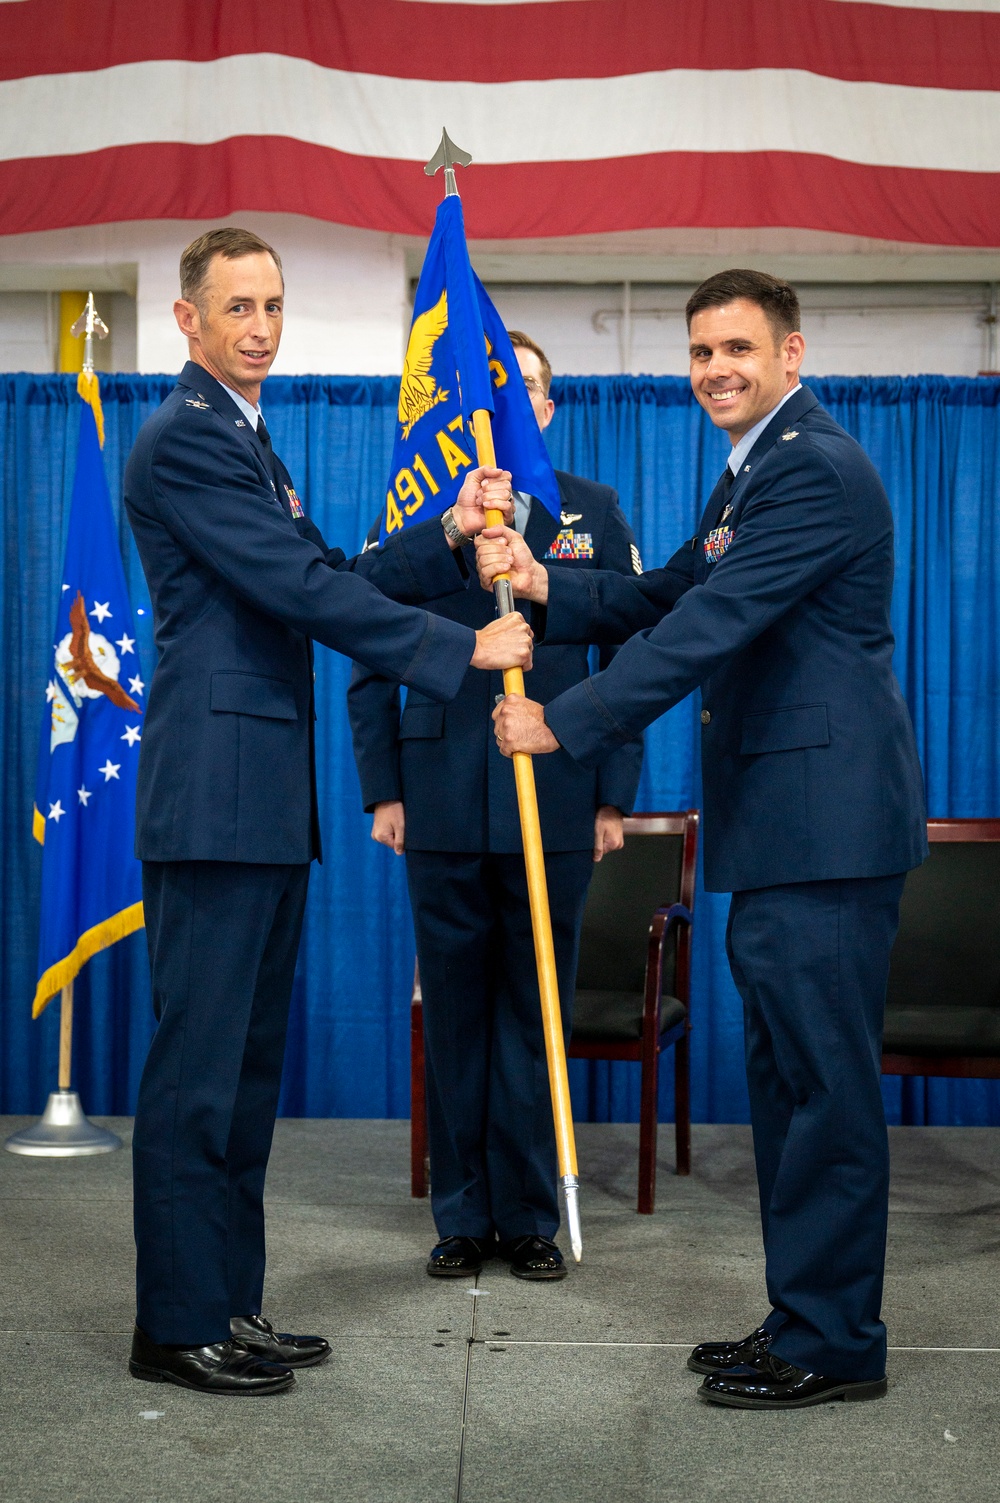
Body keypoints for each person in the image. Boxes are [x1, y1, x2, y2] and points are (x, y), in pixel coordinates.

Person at [479, 271, 927, 1408]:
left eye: (736, 346)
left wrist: (560, 724)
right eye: (698, 351)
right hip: (786, 827)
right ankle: (803, 1318)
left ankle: (833, 1342)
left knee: (822, 1087)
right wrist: (546, 584)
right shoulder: (753, 472)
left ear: (791, 352)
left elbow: (706, 629)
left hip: (824, 829)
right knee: (787, 1081)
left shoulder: (811, 471)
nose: (714, 368)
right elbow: (674, 586)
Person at [123, 227, 532, 1396]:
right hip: (213, 799)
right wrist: (466, 648)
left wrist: (445, 535)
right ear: (187, 321)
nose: (260, 327)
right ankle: (174, 1326)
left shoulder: (249, 442)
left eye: (273, 305)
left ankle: (225, 1302)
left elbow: (336, 575)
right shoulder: (186, 441)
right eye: (237, 307)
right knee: (198, 1073)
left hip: (257, 802)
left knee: (245, 1079)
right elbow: (300, 592)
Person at [347, 331, 643, 1282]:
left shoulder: (590, 513)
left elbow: (629, 659)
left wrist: (611, 794)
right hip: (435, 795)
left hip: (553, 796)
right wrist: (382, 787)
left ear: (547, 413)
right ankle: (462, 1213)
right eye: (490, 396)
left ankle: (527, 1217)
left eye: (526, 396)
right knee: (459, 1008)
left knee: (532, 1003)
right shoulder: (421, 519)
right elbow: (368, 646)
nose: (510, 411)